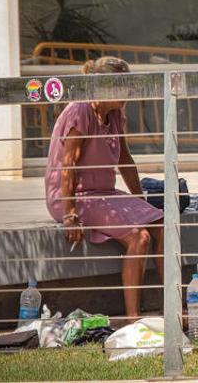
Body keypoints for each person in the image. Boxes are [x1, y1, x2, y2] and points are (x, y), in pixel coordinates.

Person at [46, 56, 164, 319]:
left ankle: (174, 306)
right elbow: (69, 166)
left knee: (163, 226)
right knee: (140, 237)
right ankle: (133, 318)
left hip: (104, 195)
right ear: (104, 87)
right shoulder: (80, 110)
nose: (129, 93)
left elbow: (124, 159)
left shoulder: (115, 113)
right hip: (74, 197)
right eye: (124, 86)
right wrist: (69, 214)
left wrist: (140, 202)